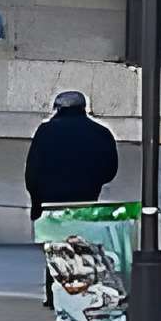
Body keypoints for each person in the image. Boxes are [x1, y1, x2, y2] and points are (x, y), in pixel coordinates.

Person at [24, 89, 119, 308]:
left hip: (51, 200)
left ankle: (54, 294)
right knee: (81, 246)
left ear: (59, 109)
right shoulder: (100, 132)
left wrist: (36, 201)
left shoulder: (46, 131)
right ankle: (80, 294)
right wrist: (92, 181)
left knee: (56, 247)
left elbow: (33, 171)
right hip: (85, 197)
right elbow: (110, 170)